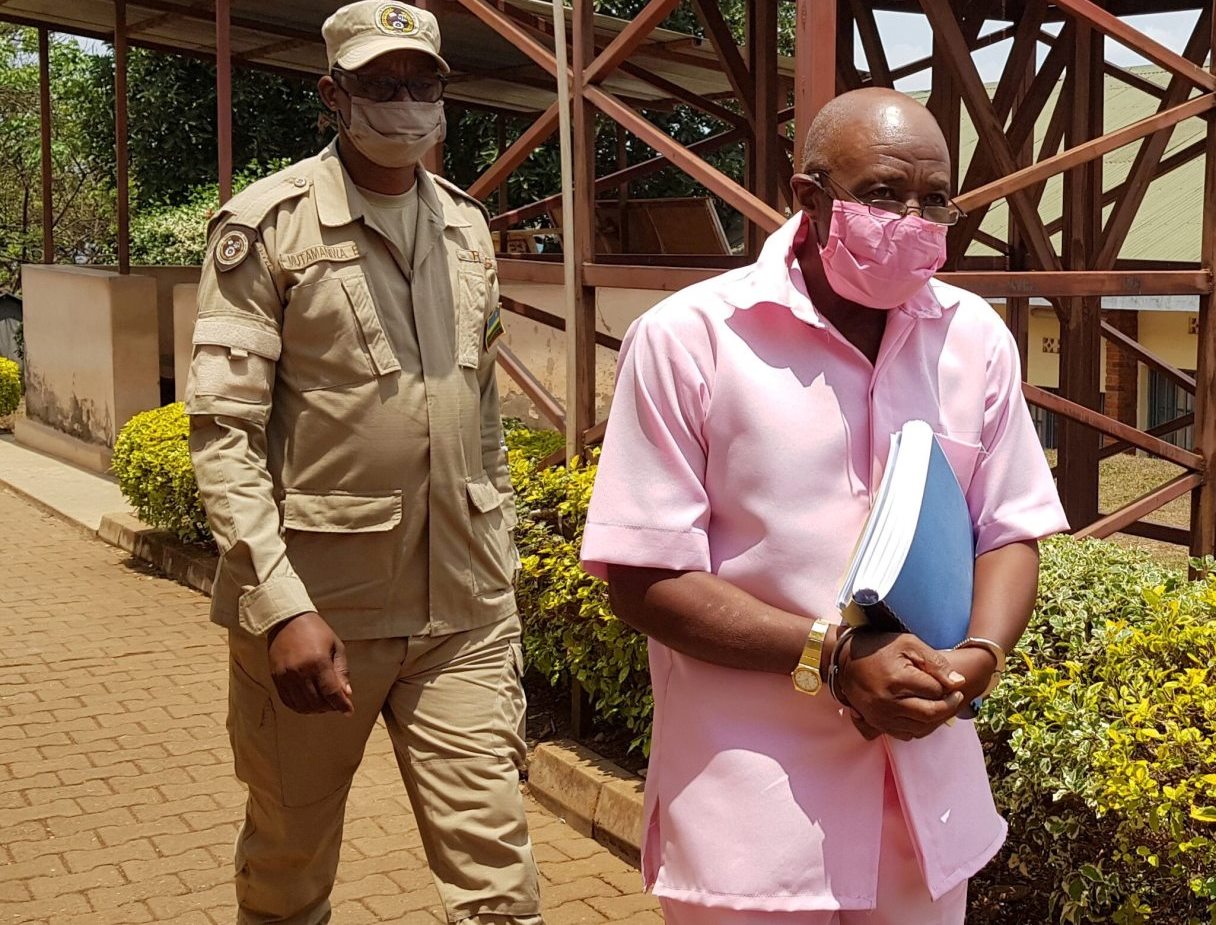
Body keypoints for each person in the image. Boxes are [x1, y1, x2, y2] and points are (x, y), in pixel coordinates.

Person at [580, 87, 1070, 924]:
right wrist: (834, 654)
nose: (911, 219)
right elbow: (642, 576)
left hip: (923, 803)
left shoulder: (973, 336)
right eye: (882, 193)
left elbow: (1009, 528)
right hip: (754, 811)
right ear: (808, 197)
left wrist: (978, 658)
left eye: (934, 199)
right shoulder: (690, 338)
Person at [185, 3, 540, 923]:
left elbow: (481, 410)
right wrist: (279, 607)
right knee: (289, 863)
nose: (407, 103)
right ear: (333, 95)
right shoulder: (268, 226)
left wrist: (500, 564)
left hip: (464, 611)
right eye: (382, 85)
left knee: (499, 881)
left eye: (423, 84)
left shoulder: (465, 226)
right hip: (319, 611)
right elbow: (224, 434)